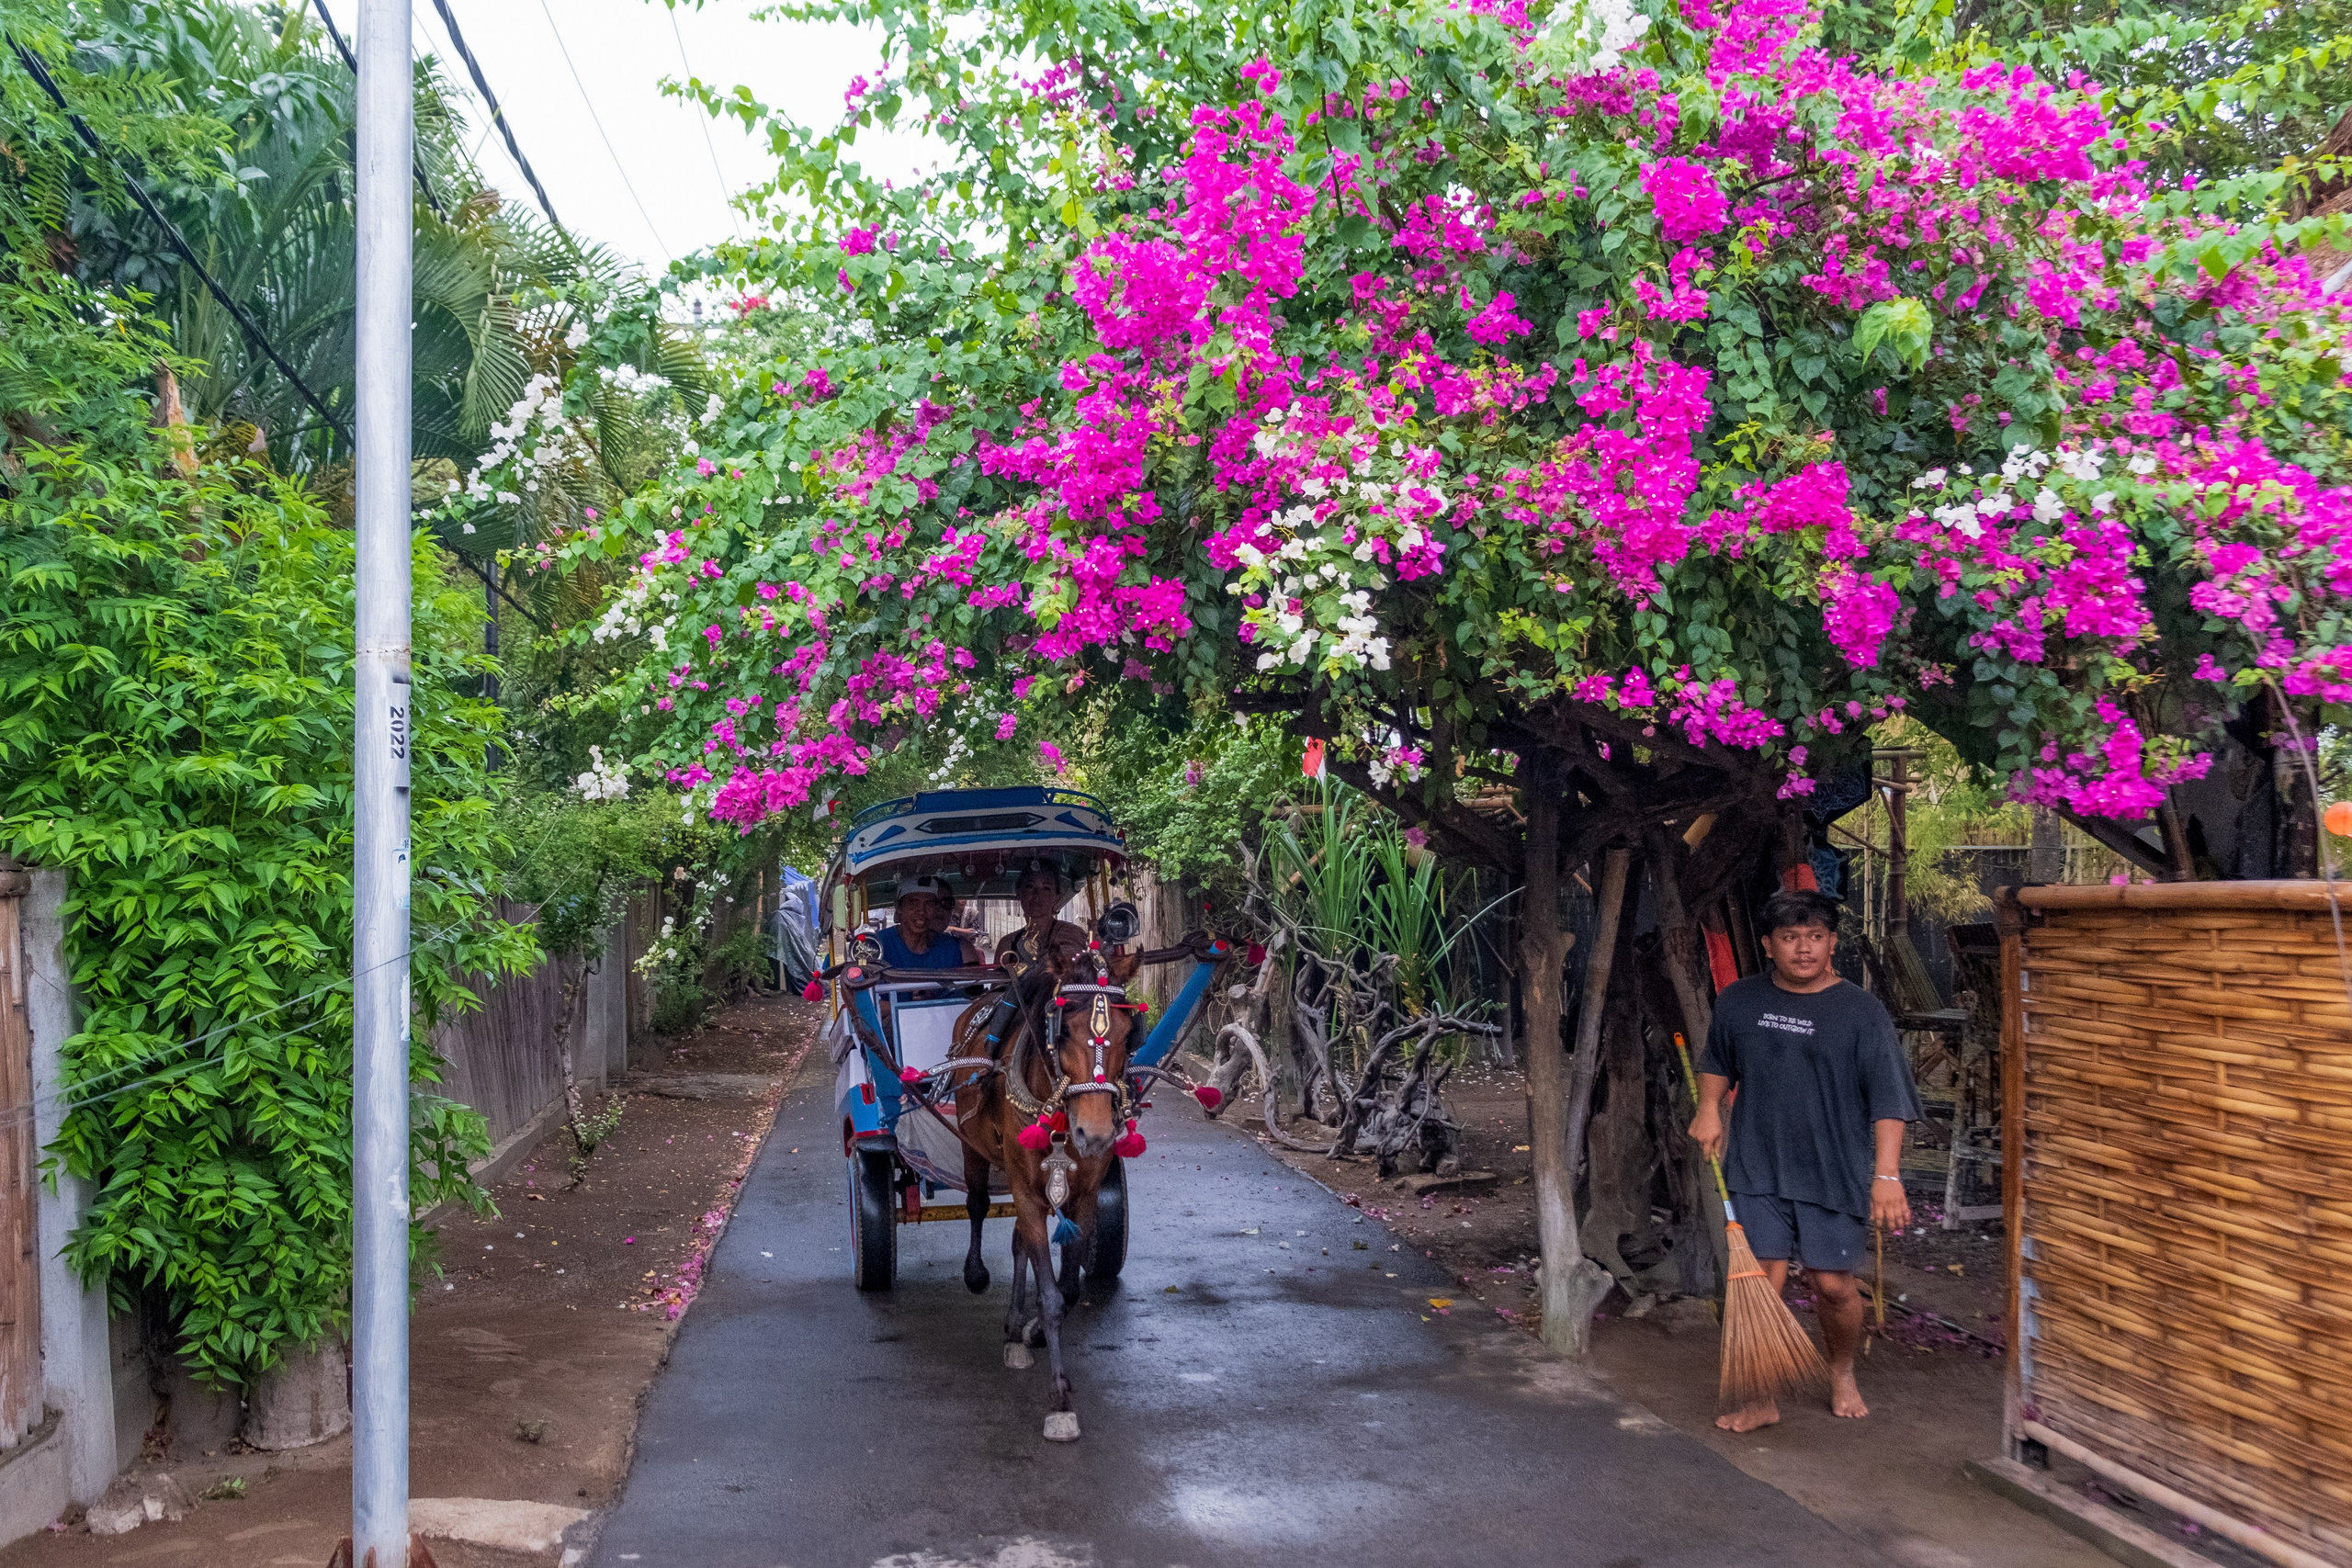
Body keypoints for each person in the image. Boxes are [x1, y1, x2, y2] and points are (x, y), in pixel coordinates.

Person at [1688, 887, 1923, 1431]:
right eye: (1790, 938)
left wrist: (1886, 1176)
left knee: (1832, 1284)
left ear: (1832, 942)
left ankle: (1841, 1369)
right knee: (1759, 1283)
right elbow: (1718, 1060)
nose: (1804, 950)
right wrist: (1709, 1108)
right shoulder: (1739, 1001)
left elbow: (1889, 1100)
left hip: (1832, 1169)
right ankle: (1761, 1397)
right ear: (1768, 945)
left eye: (1815, 937)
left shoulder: (1862, 1012)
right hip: (1756, 1164)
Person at [876, 876, 987, 970]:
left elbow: (970, 993)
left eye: (929, 904)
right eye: (914, 903)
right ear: (899, 907)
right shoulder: (877, 944)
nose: (921, 911)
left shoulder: (951, 949)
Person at [996, 859, 1088, 968]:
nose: (1036, 894)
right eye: (1030, 886)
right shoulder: (1007, 944)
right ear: (1019, 892)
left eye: (1046, 889)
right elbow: (998, 985)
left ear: (1057, 898)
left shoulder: (1072, 935)